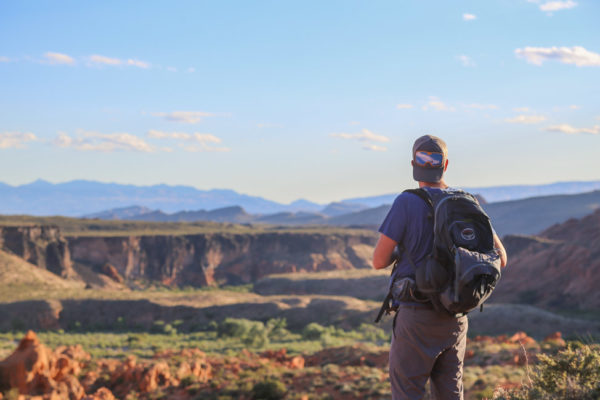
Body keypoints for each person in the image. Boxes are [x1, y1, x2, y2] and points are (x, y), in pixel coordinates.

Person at [372, 135, 507, 400]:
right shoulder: (466, 203)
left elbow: (378, 260)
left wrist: (404, 248)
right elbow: (501, 257)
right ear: (445, 166)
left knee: (407, 393)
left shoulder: (406, 202)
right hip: (455, 316)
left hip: (416, 315)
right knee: (450, 394)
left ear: (413, 164)